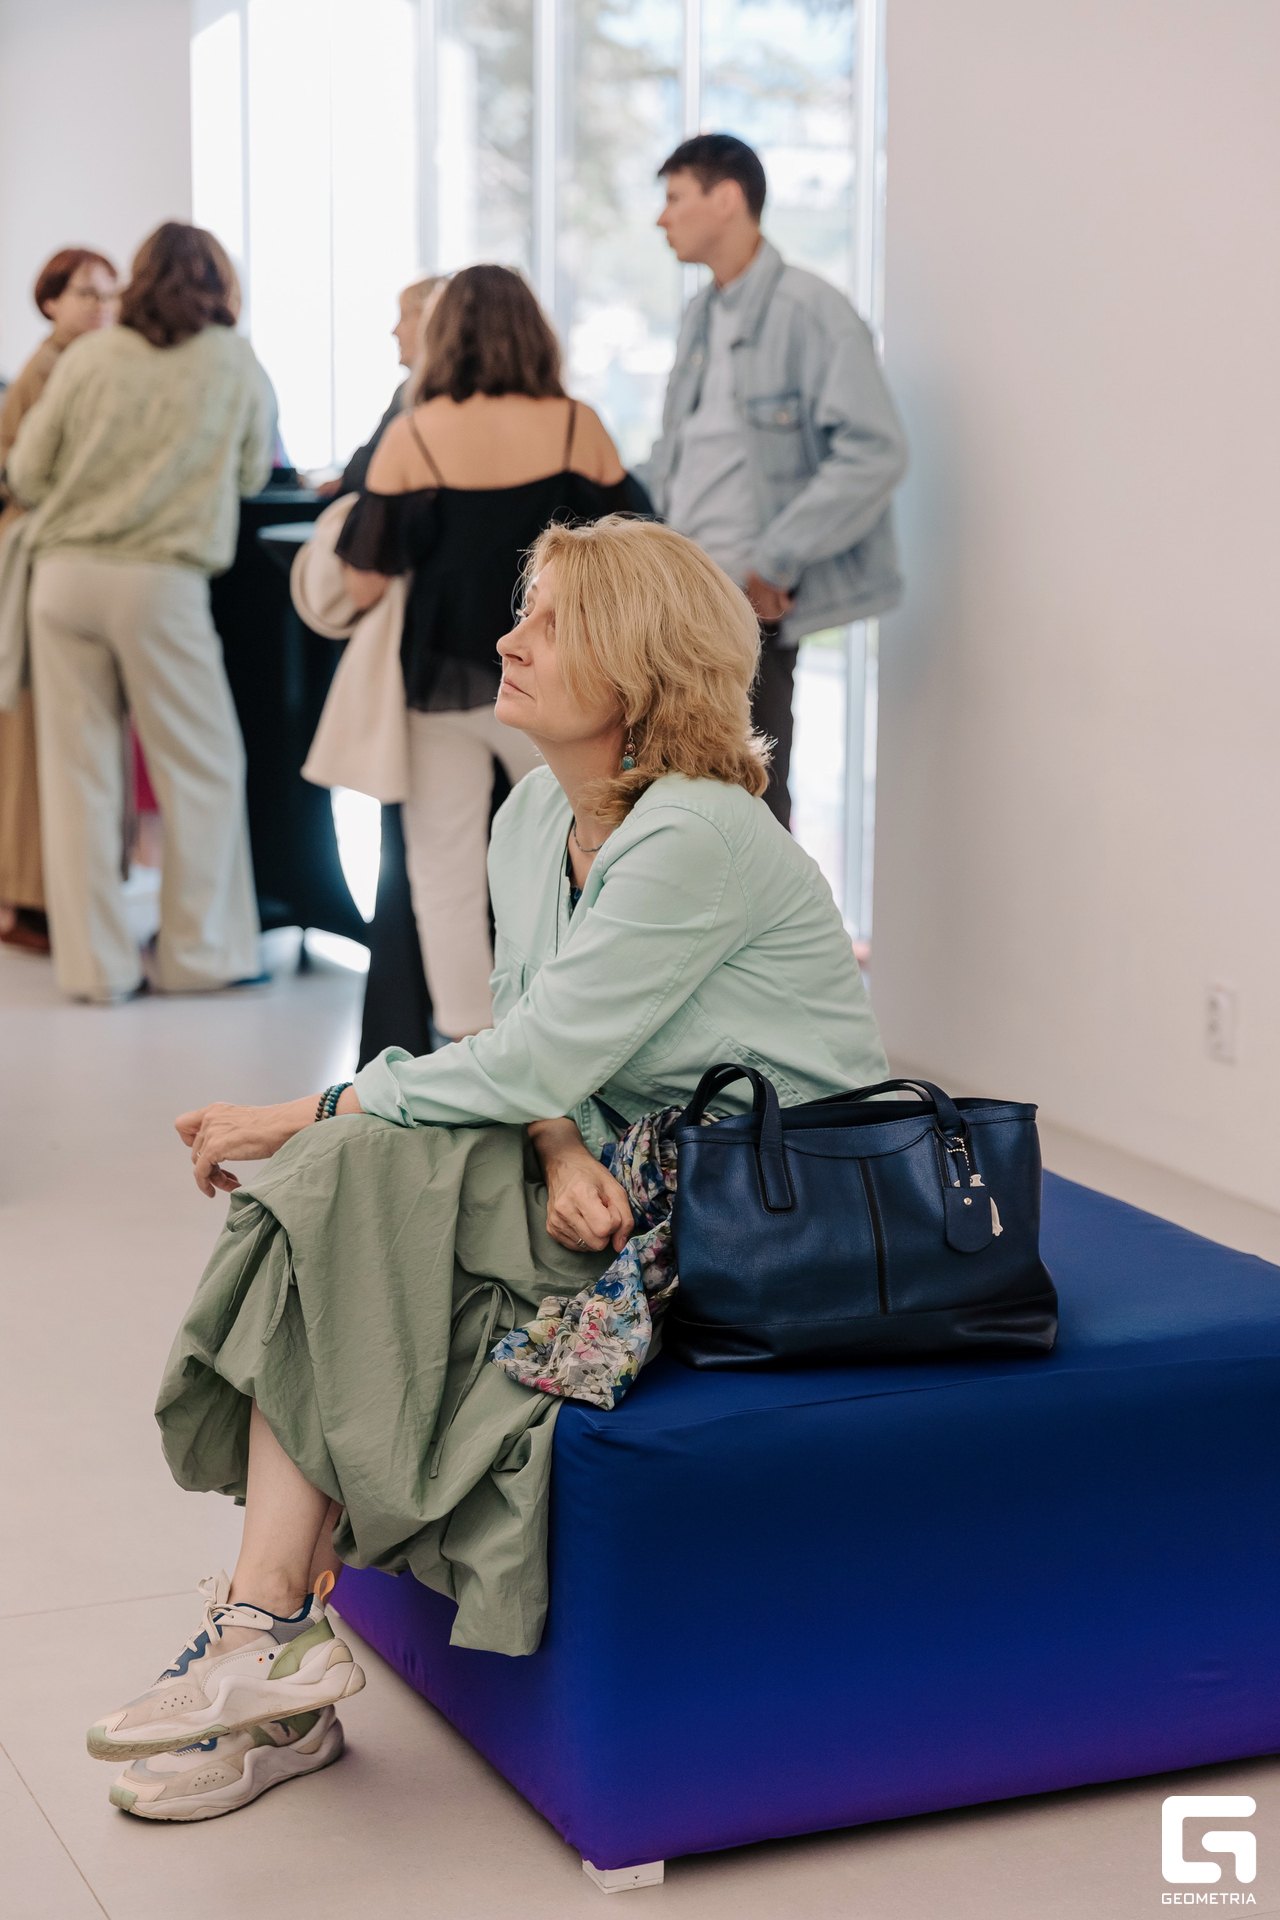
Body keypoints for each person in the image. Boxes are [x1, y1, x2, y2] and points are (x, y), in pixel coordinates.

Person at [87, 515, 889, 1821]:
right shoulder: (533, 818)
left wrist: (305, 1108)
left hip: (767, 1209)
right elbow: (530, 1046)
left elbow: (526, 1059)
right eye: (525, 613)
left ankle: (266, 1644)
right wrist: (557, 1144)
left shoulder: (695, 835)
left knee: (338, 1170)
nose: (508, 641)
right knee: (345, 1192)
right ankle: (268, 1641)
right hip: (621, 1174)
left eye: (551, 624)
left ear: (638, 668)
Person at [335, 262, 650, 1046]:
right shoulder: (578, 426)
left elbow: (362, 580)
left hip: (440, 681)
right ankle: (582, 1031)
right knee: (590, 855)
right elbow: (637, 548)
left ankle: (469, 1048)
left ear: (445, 336)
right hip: (563, 679)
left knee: (443, 872)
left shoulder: (413, 434)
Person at [6, 222, 277, 1002]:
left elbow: (27, 472)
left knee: (79, 774)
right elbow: (253, 472)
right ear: (218, 282)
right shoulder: (233, 360)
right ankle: (199, 955)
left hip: (63, 580)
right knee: (202, 766)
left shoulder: (90, 356)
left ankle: (96, 970)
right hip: (159, 582)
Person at [644, 133, 909, 826]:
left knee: (752, 809)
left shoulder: (810, 311)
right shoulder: (700, 315)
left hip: (748, 609)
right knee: (677, 806)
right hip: (684, 602)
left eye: (674, 198)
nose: (661, 218)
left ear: (726, 199)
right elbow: (682, 454)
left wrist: (778, 557)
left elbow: (876, 450)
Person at [0, 247, 119, 954]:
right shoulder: (48, 370)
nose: (102, 305)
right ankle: (31, 899)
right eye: (85, 292)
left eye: (110, 292)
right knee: (34, 732)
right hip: (37, 561)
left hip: (57, 560)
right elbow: (27, 475)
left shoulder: (83, 365)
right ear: (50, 301)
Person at [324, 273, 447, 497]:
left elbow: (362, 470)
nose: (394, 330)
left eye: (405, 317)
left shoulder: (413, 392)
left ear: (430, 322)